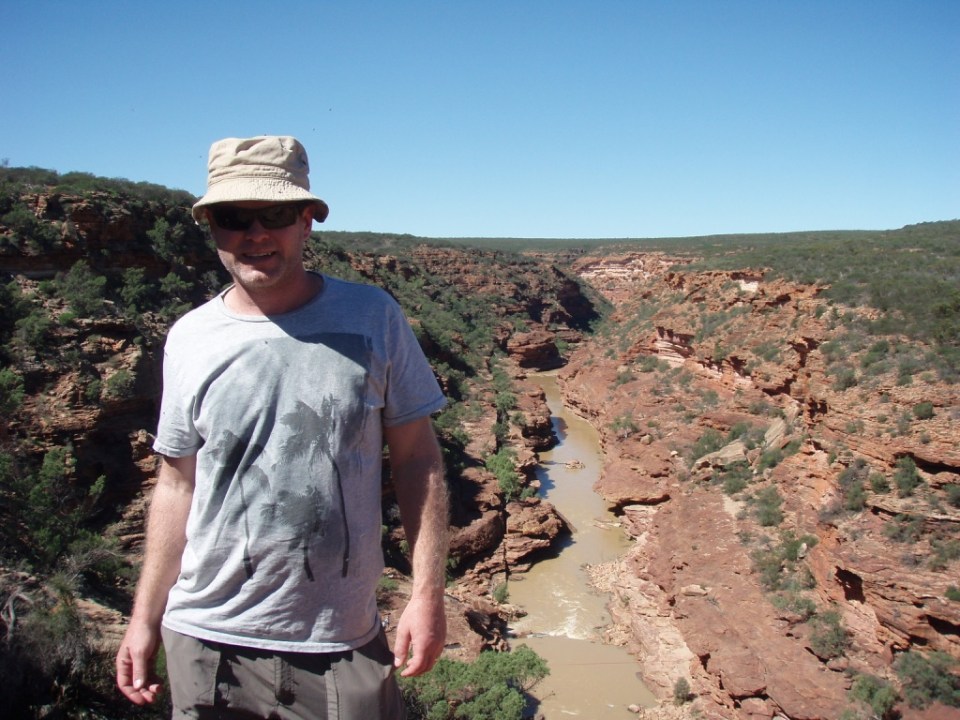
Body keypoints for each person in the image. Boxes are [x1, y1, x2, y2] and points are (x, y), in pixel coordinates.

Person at [115, 135, 449, 719]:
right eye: (233, 217)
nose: (256, 233)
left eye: (275, 214)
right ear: (211, 227)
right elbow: (175, 486)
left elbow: (418, 459)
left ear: (307, 222)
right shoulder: (189, 338)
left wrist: (427, 595)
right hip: (207, 636)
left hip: (338, 639)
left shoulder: (373, 315)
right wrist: (144, 618)